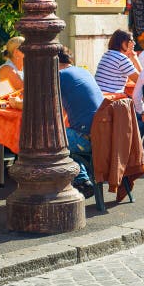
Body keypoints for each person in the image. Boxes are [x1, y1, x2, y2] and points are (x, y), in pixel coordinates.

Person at [58, 45, 104, 199]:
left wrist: (17, 103)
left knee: (51, 140)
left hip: (87, 139)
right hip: (103, 136)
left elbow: (44, 105)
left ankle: (79, 181)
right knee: (65, 134)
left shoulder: (60, 75)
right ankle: (82, 180)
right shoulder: (83, 71)